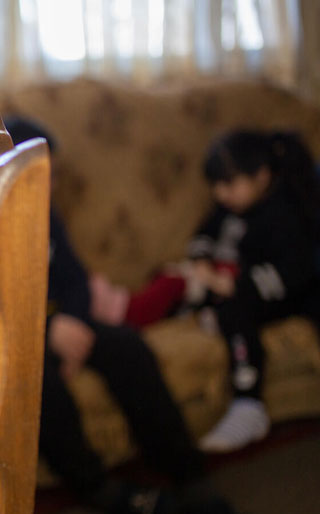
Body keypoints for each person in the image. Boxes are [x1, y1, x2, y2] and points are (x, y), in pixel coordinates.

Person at [5, 117, 267, 514]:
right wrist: (46, 330)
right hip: (16, 336)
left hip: (62, 322)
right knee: (38, 384)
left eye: (51, 175)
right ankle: (98, 487)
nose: (49, 186)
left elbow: (73, 277)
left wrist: (71, 319)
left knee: (129, 347)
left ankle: (190, 478)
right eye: (38, 175)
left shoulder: (45, 211)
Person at [94, 130, 319, 452]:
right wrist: (201, 261)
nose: (220, 193)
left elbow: (295, 273)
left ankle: (248, 404)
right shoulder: (226, 209)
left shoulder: (282, 214)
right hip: (220, 281)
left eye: (229, 184)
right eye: (216, 185)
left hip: (266, 292)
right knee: (171, 279)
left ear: (261, 176)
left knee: (234, 310)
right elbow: (204, 235)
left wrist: (236, 285)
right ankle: (130, 308)